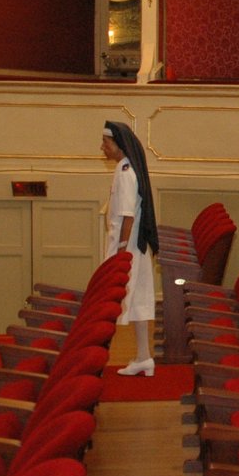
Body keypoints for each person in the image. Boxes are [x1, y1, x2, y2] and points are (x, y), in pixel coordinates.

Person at [101, 120, 160, 377]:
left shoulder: (126, 173)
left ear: (117, 144)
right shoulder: (124, 169)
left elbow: (127, 217)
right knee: (137, 302)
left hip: (127, 251)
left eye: (105, 143)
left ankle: (95, 360)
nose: (102, 148)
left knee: (109, 305)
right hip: (132, 249)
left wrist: (121, 253)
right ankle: (144, 357)